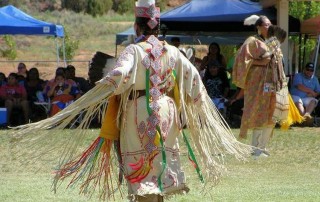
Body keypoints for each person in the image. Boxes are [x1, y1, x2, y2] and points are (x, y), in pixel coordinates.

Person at [10, 1, 251, 201]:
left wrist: (99, 90)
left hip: (140, 111)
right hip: (167, 111)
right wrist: (202, 111)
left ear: (137, 27)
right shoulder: (173, 51)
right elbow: (194, 79)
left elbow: (119, 74)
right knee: (159, 164)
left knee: (142, 168)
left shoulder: (134, 51)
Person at [233, 16, 291, 158]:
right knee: (258, 113)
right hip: (257, 84)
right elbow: (242, 61)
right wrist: (261, 61)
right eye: (266, 24)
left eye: (271, 24)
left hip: (273, 82)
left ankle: (263, 147)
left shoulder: (273, 43)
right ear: (258, 27)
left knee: (272, 113)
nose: (269, 26)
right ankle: (255, 149)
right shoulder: (252, 41)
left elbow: (279, 63)